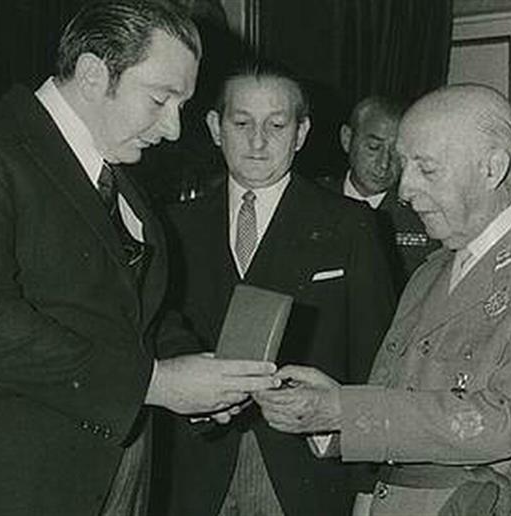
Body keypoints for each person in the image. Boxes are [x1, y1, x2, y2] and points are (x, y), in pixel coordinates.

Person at [0, 3, 278, 516]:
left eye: (180, 106)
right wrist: (158, 383)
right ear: (93, 74)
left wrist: (203, 376)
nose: (172, 128)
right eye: (160, 99)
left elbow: (134, 312)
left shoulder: (120, 179)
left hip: (108, 479)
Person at [253, 84, 511, 516]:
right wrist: (329, 411)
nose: (404, 189)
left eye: (426, 169)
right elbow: (396, 398)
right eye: (405, 166)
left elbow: (504, 420)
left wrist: (342, 411)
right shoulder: (432, 271)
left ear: (493, 168)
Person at [154, 63, 397, 516]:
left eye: (276, 125)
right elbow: (161, 329)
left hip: (306, 472)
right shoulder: (172, 226)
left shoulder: (351, 225)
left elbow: (376, 358)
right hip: (194, 471)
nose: (258, 141)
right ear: (215, 128)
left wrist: (368, 485)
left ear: (301, 133)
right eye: (242, 123)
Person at [319, 96, 438, 292]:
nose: (384, 164)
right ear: (347, 139)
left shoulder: (424, 214)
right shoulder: (312, 200)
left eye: (397, 154)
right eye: (373, 148)